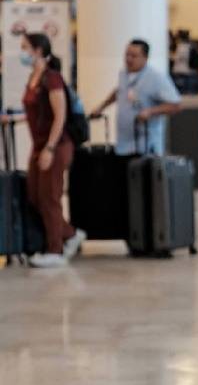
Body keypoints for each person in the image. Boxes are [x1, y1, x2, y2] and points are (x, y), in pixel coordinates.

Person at [19, 33, 85, 268]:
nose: (21, 52)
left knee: (50, 197)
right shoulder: (33, 78)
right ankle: (70, 233)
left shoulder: (52, 78)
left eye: (25, 47)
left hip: (55, 145)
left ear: (38, 51)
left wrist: (49, 147)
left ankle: (55, 249)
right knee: (35, 196)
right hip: (38, 146)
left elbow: (60, 116)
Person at [91, 39, 181, 155]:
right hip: (123, 144)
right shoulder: (124, 74)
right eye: (127, 55)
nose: (128, 59)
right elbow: (119, 91)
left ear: (145, 58)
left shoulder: (156, 78)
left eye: (134, 56)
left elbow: (176, 105)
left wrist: (151, 111)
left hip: (145, 145)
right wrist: (101, 107)